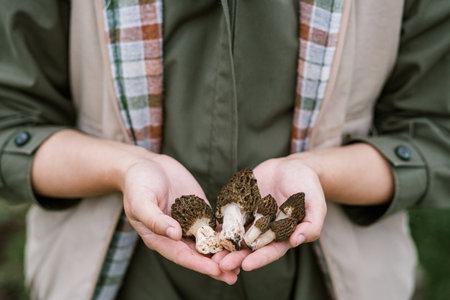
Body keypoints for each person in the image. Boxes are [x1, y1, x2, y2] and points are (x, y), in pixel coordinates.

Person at [0, 0, 448, 299]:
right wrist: (123, 169)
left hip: (337, 283)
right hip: (112, 282)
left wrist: (317, 172)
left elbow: (433, 133)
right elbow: (12, 121)